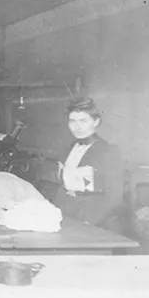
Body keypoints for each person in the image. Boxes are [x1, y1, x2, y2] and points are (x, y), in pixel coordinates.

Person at [52, 97, 125, 232]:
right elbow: (62, 187)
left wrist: (89, 221)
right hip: (67, 213)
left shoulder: (108, 151)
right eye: (72, 121)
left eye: (83, 121)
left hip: (94, 218)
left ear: (96, 121)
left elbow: (114, 197)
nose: (77, 127)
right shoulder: (67, 149)